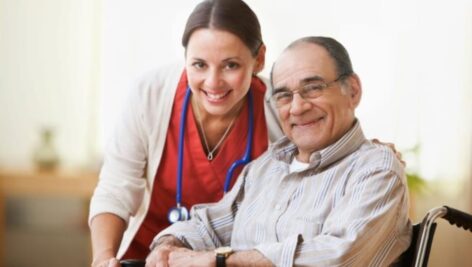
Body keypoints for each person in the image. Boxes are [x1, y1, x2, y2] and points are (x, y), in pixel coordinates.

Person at [147, 36, 412, 267]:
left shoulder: (376, 170)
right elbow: (208, 226)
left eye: (313, 88)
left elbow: (338, 258)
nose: (297, 107)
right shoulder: (266, 167)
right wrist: (167, 246)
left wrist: (221, 260)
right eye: (284, 95)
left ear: (352, 91)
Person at [89, 1, 284, 266]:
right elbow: (116, 188)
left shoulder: (282, 110)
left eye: (231, 65)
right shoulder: (150, 94)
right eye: (199, 64)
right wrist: (103, 258)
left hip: (234, 260)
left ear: (258, 59)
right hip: (147, 256)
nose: (213, 82)